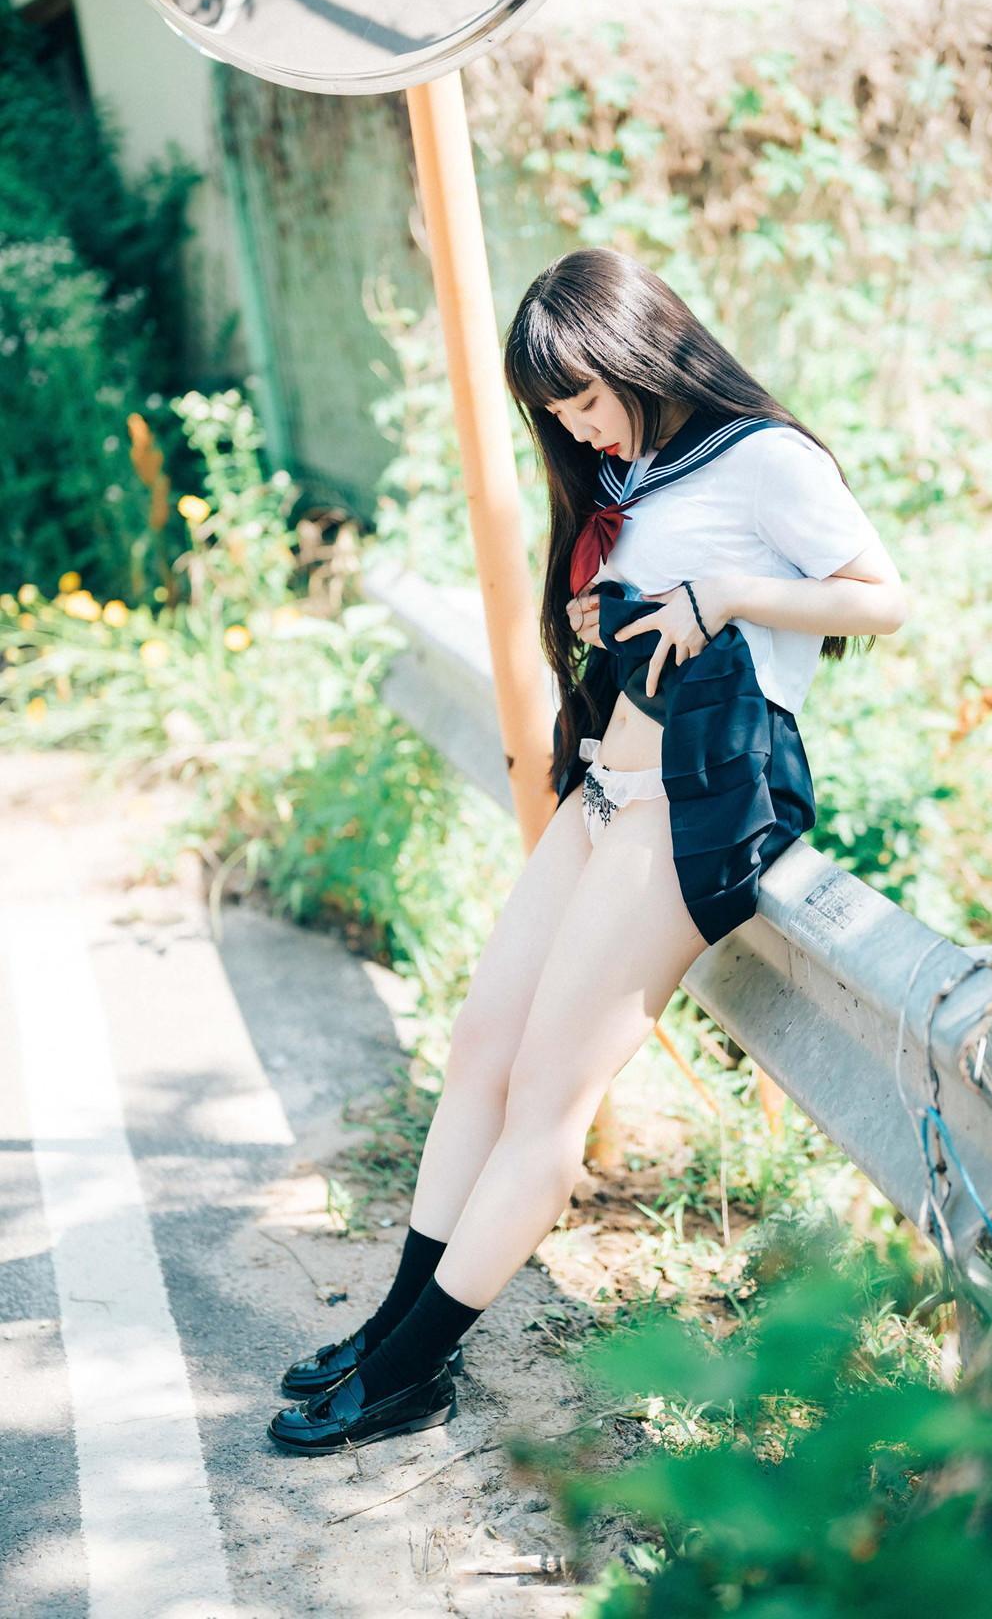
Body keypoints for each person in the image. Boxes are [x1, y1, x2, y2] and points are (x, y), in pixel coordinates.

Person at [268, 246, 908, 1454]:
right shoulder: (649, 466)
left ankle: (409, 1372)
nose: (580, 429)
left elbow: (882, 596)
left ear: (638, 352)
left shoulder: (765, 459)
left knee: (548, 1099)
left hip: (688, 809)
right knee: (482, 1052)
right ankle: (392, 1326)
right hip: (604, 796)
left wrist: (727, 594)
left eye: (584, 398)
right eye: (558, 414)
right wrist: (603, 622)